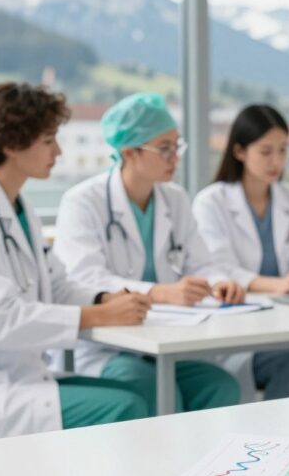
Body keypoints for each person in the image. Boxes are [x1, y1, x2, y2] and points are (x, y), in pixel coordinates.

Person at [0, 82, 152, 448]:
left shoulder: (16, 207)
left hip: (17, 375)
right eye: (48, 140)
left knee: (141, 393)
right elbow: (1, 320)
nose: (58, 151)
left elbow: (56, 286)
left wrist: (104, 298)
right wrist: (98, 316)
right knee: (127, 406)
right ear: (11, 144)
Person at [53, 92, 243, 414]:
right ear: (129, 152)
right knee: (155, 389)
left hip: (166, 340)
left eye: (177, 146)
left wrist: (219, 283)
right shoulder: (83, 202)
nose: (175, 157)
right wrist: (161, 293)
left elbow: (202, 263)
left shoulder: (175, 199)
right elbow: (85, 278)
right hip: (107, 347)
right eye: (164, 148)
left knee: (220, 386)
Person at [192, 104, 289, 400]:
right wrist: (278, 284)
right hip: (235, 333)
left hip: (285, 323)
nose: (276, 161)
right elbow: (218, 269)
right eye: (266, 151)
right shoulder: (211, 202)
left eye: (283, 150)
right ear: (239, 151)